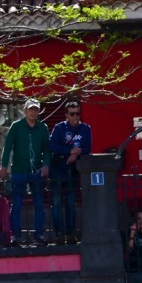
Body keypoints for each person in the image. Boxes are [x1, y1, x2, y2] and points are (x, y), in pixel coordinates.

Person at [0, 98, 50, 244]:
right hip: (19, 170)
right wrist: (3, 165)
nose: (33, 112)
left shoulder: (43, 128)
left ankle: (39, 234)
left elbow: (47, 149)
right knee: (17, 204)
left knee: (39, 204)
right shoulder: (16, 126)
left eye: (36, 109)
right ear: (25, 110)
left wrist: (46, 164)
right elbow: (7, 147)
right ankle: (16, 235)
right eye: (31, 109)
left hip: (37, 170)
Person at [48, 100, 91, 244]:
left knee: (71, 203)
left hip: (72, 171)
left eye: (78, 113)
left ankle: (71, 234)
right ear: (66, 115)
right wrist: (70, 151)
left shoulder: (85, 128)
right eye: (72, 114)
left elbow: (87, 147)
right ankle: (59, 235)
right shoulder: (59, 128)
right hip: (57, 169)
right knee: (56, 202)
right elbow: (52, 146)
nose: (75, 116)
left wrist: (76, 153)